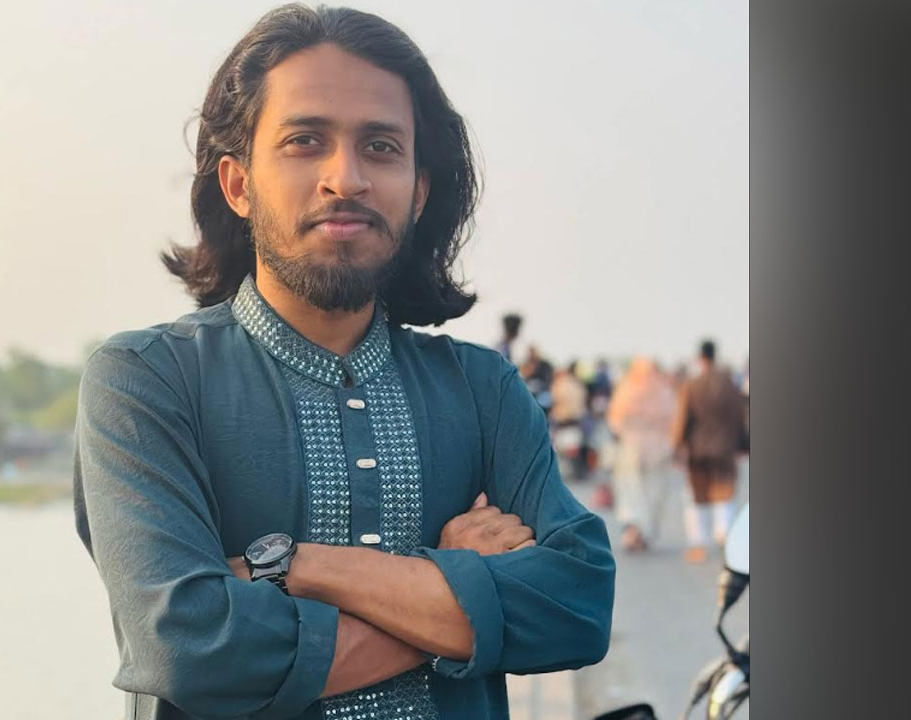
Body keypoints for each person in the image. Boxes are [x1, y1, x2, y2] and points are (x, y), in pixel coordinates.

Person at [71, 7, 614, 719]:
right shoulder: (147, 383)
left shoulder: (483, 390)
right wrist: (458, 589)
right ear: (238, 184)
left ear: (418, 190)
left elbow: (578, 605)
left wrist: (297, 567)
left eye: (381, 147)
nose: (346, 178)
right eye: (305, 141)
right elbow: (191, 649)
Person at [670, 339, 747, 563]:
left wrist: (677, 446)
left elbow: (682, 419)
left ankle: (699, 544)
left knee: (699, 497)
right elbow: (741, 418)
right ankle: (724, 535)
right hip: (725, 449)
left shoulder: (692, 385)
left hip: (699, 450)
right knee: (724, 493)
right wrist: (744, 444)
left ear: (700, 358)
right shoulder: (729, 385)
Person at [606, 357, 678, 551]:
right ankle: (643, 531)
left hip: (631, 447)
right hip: (659, 448)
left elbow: (614, 420)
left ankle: (633, 530)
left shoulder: (626, 389)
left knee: (631, 491)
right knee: (653, 491)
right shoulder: (664, 391)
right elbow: (674, 419)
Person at [550, 361, 588, 480]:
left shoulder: (559, 384)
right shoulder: (578, 384)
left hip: (563, 421)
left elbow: (555, 400)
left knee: (560, 450)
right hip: (576, 420)